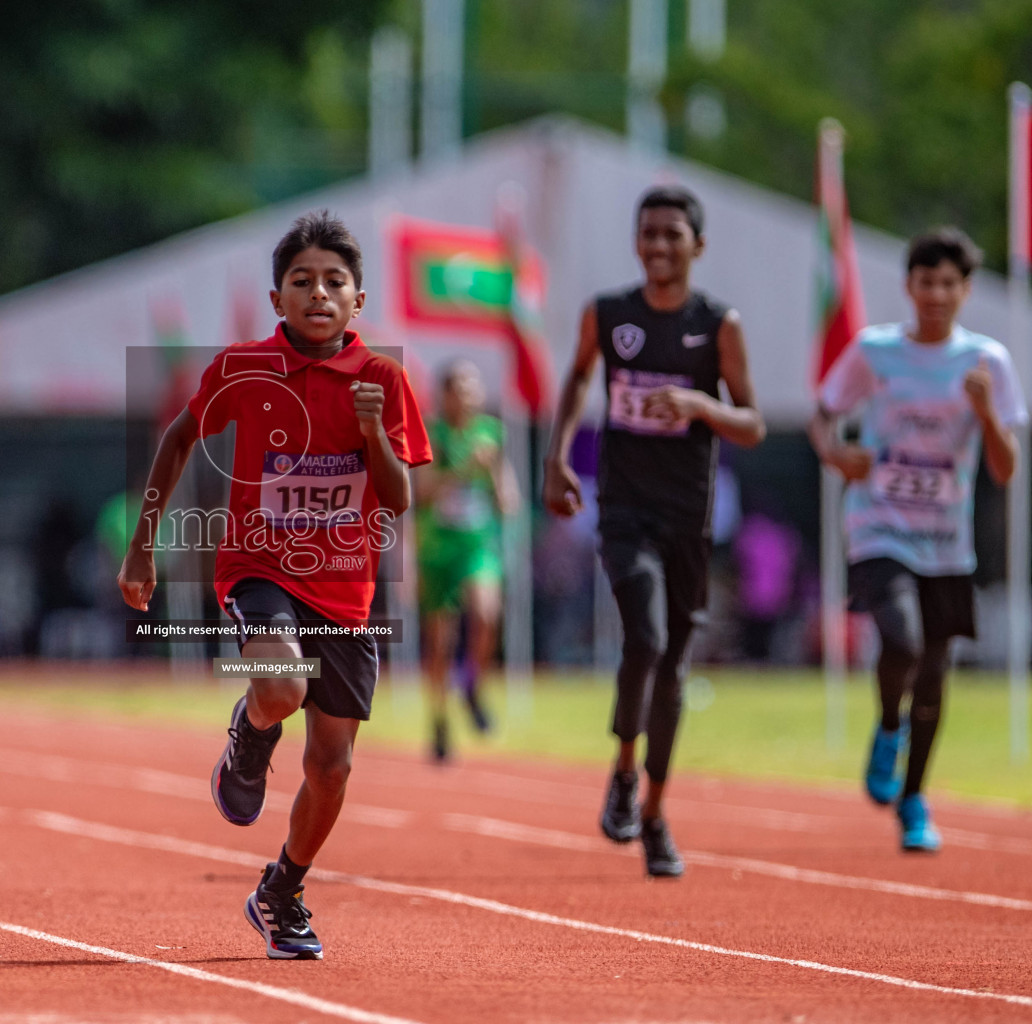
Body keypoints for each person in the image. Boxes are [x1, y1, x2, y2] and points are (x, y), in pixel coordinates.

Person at [118, 210, 431, 959]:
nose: (317, 293)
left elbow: (398, 499)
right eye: (301, 281)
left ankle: (281, 890)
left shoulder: (384, 381)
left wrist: (370, 434)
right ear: (276, 297)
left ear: (358, 301)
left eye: (334, 282)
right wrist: (143, 547)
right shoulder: (242, 367)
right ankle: (251, 731)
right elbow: (179, 436)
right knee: (282, 685)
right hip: (258, 571)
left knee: (332, 767)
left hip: (346, 593)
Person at [543, 185, 764, 877]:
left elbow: (753, 423)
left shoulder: (718, 325)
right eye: (649, 234)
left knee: (672, 671)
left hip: (688, 517)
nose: (659, 246)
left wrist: (700, 403)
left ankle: (657, 815)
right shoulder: (610, 315)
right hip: (625, 509)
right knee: (646, 636)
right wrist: (555, 457)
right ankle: (624, 769)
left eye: (672, 234)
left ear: (697, 245)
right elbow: (578, 376)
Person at [809, 227, 1023, 852]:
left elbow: (1006, 470)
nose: (936, 293)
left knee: (935, 670)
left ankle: (914, 799)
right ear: (908, 286)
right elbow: (825, 410)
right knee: (899, 638)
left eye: (948, 283)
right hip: (878, 524)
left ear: (966, 290)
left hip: (946, 540)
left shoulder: (988, 363)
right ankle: (886, 725)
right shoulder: (874, 352)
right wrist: (833, 453)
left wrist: (985, 414)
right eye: (925, 281)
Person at [415, 360, 519, 761]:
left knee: (487, 614)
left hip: (478, 547)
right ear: (446, 394)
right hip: (438, 550)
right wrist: (461, 469)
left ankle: (473, 684)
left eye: (475, 386)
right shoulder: (432, 435)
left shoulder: (490, 433)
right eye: (462, 386)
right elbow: (422, 493)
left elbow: (505, 495)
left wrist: (497, 482)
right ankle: (439, 718)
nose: (471, 394)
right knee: (440, 642)